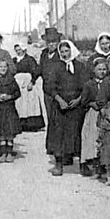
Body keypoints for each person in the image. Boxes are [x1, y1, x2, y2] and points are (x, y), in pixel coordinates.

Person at [44, 39, 88, 176]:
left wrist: (78, 100)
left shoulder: (80, 67)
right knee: (58, 134)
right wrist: (60, 100)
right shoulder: (55, 67)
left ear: (72, 50)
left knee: (77, 133)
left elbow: (86, 86)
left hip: (76, 106)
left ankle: (83, 165)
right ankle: (58, 164)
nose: (64, 54)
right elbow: (50, 87)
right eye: (62, 52)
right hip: (60, 106)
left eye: (66, 51)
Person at [79, 58, 108, 178]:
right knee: (93, 139)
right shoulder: (89, 84)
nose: (102, 72)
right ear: (94, 70)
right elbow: (84, 101)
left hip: (106, 113)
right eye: (99, 69)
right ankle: (95, 167)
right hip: (93, 114)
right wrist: (92, 103)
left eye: (104, 69)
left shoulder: (109, 82)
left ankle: (105, 167)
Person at [0, 60, 22, 163]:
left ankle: (9, 153)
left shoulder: (11, 80)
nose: (3, 68)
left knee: (9, 131)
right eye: (1, 66)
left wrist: (10, 96)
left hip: (9, 108)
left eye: (5, 66)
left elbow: (17, 93)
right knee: (0, 131)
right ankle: (2, 153)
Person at [13, 43, 45, 131]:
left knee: (30, 104)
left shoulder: (30, 59)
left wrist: (32, 82)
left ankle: (32, 125)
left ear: (23, 49)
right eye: (16, 50)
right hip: (18, 84)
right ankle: (20, 124)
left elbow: (35, 71)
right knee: (20, 103)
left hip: (27, 84)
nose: (18, 52)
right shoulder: (14, 60)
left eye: (19, 50)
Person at [39, 27, 64, 129]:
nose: (51, 44)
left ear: (58, 42)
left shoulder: (62, 54)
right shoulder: (44, 54)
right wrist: (32, 80)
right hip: (47, 89)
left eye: (54, 41)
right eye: (48, 42)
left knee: (59, 115)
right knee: (50, 114)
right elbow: (39, 68)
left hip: (59, 89)